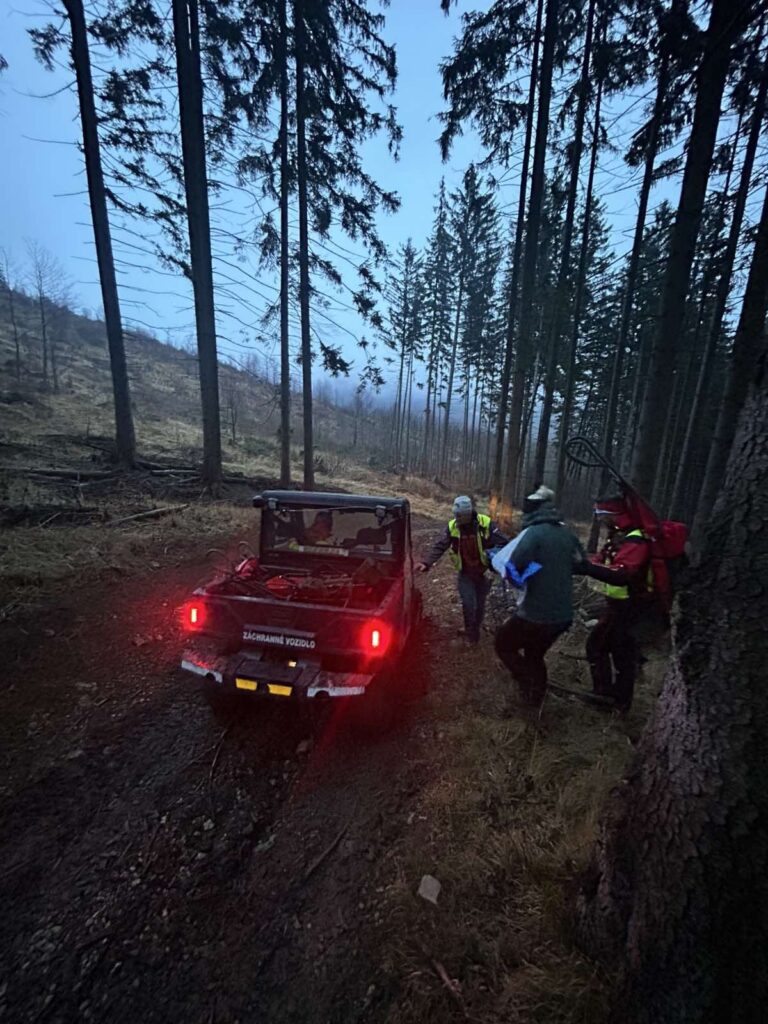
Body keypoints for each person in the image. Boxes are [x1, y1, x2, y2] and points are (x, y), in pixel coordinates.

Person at [493, 486, 585, 707]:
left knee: (503, 644)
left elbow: (513, 568)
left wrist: (521, 581)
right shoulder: (566, 533)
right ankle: (536, 701)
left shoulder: (533, 534)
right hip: (563, 616)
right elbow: (580, 562)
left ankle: (527, 684)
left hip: (536, 613)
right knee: (535, 654)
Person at [574, 493, 653, 713]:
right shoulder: (618, 536)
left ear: (614, 514)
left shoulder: (636, 539)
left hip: (631, 607)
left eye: (603, 515)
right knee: (603, 647)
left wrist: (586, 568)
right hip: (618, 605)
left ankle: (615, 701)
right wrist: (583, 562)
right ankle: (608, 696)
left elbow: (621, 573)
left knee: (616, 653)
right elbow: (603, 561)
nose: (600, 520)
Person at [415, 495, 508, 644]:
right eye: (455, 515)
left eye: (459, 515)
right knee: (468, 603)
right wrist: (426, 563)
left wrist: (492, 555)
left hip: (484, 572)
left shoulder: (486, 524)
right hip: (465, 573)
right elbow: (440, 545)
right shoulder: (452, 527)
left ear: (468, 514)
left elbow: (504, 543)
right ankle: (471, 635)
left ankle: (475, 630)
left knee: (480, 605)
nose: (456, 518)